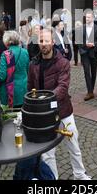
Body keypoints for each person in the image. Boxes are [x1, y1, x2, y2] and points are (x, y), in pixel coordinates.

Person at [29, 28, 91, 180]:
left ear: (53, 42)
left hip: (63, 111)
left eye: (47, 41)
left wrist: (45, 100)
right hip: (44, 115)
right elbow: (30, 88)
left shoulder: (63, 63)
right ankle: (52, 178)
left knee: (73, 145)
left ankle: (79, 174)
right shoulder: (33, 64)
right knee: (47, 153)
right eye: (41, 41)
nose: (44, 44)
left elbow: (62, 87)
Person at [0, 31, 29, 108]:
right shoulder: (25, 52)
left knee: (10, 116)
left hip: (10, 91)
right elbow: (28, 70)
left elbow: (2, 76)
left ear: (6, 41)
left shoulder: (6, 54)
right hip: (23, 88)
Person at [79, 11, 97, 102]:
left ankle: (92, 89)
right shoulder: (81, 28)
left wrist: (94, 44)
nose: (87, 19)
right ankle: (89, 92)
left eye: (89, 17)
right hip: (84, 52)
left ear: (93, 18)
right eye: (86, 17)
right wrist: (81, 50)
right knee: (87, 71)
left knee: (94, 72)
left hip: (93, 52)